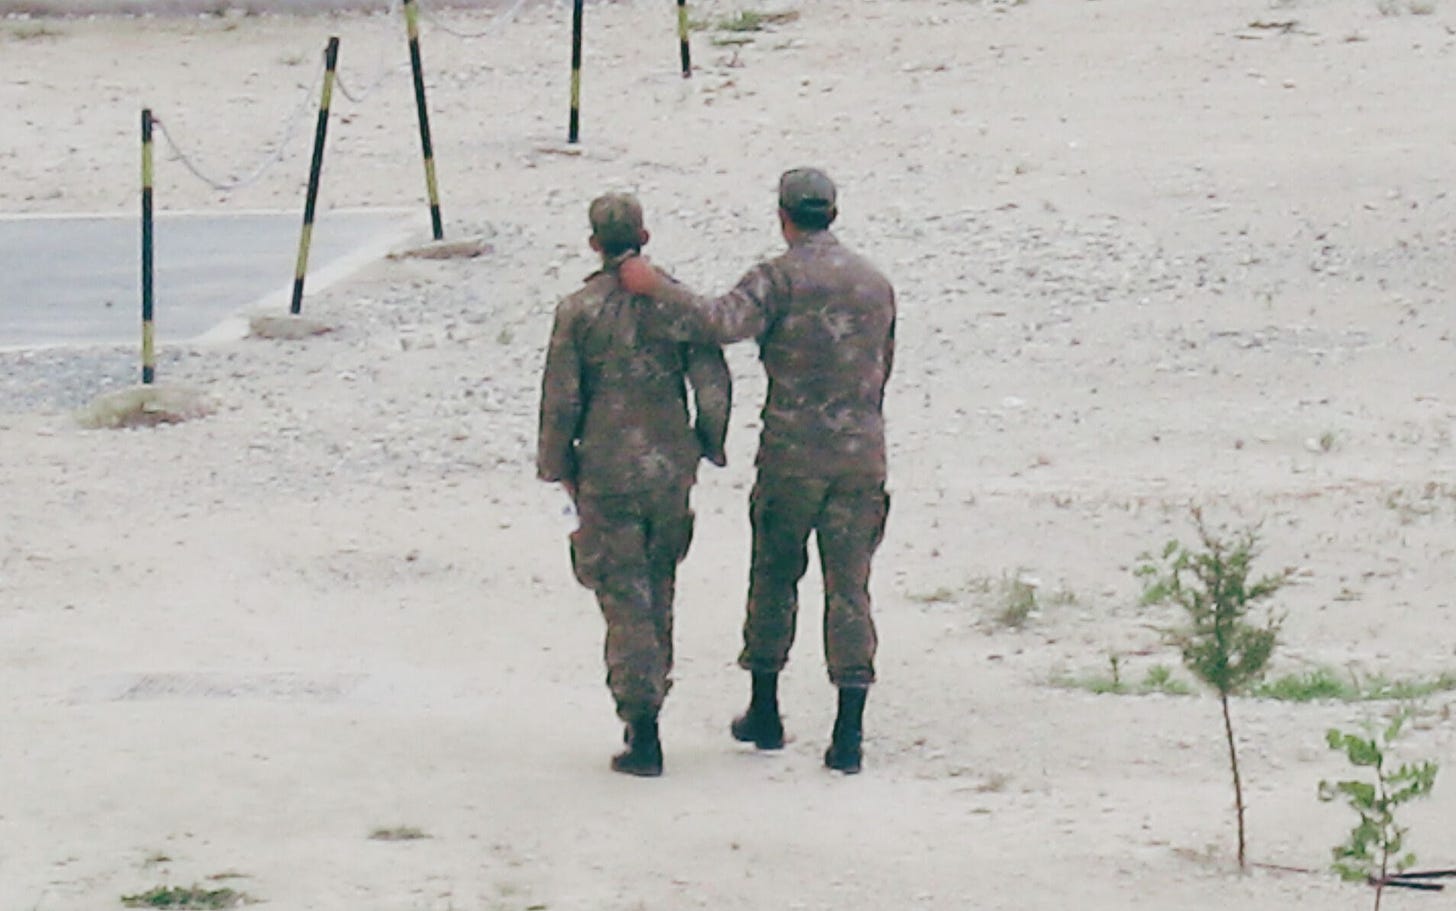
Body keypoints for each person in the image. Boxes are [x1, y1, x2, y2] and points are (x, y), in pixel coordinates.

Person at [618, 167, 894, 774]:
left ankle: (765, 711)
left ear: (784, 217)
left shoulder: (779, 278)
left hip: (792, 456)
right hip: (860, 456)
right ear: (834, 212)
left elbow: (719, 321)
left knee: (774, 577)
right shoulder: (876, 283)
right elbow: (884, 366)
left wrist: (656, 286)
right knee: (850, 587)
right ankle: (848, 735)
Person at [537, 192, 731, 777]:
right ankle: (654, 694)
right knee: (660, 585)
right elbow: (714, 383)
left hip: (607, 471)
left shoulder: (578, 311)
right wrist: (707, 442)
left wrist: (557, 465)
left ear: (594, 243)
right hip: (669, 467)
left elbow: (561, 399)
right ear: (644, 236)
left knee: (623, 598)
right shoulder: (674, 302)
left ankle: (641, 725)